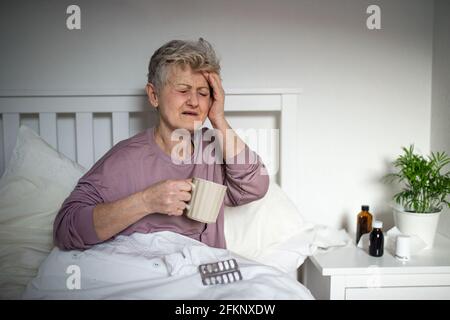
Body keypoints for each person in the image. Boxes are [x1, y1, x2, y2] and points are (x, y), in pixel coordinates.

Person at [53, 38, 269, 250]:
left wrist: (218, 119)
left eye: (203, 93)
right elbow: (66, 230)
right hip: (145, 275)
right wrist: (146, 202)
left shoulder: (213, 150)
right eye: (183, 90)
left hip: (202, 277)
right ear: (154, 95)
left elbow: (254, 187)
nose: (194, 101)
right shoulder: (126, 158)